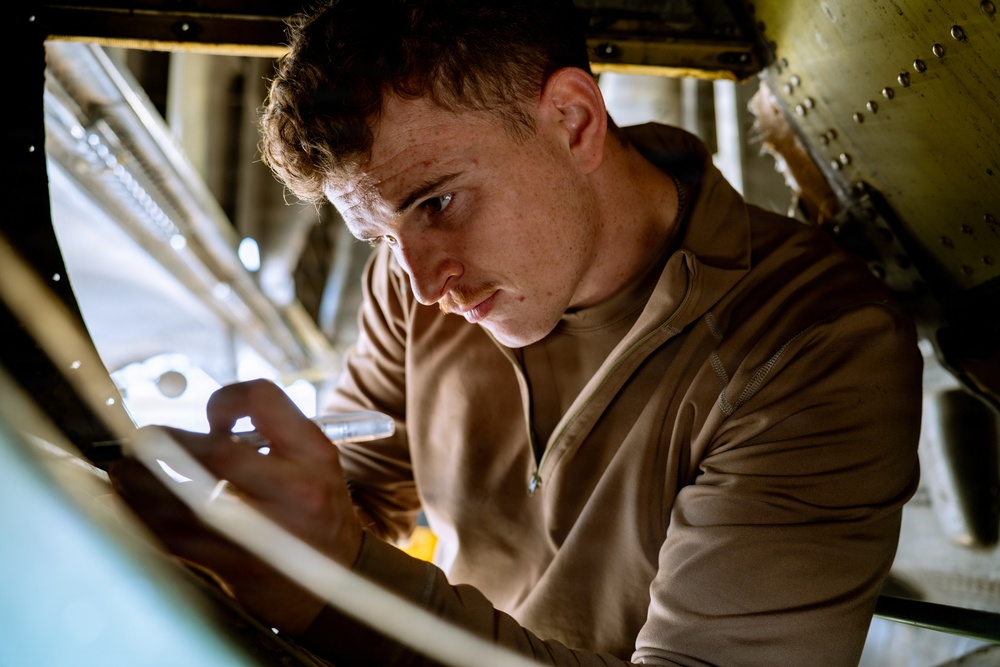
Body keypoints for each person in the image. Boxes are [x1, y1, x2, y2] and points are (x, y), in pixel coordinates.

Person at [110, 0, 923, 664]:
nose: (426, 285)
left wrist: (340, 579)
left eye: (436, 204)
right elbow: (370, 475)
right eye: (383, 236)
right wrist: (244, 516)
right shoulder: (414, 277)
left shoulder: (818, 343)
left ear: (573, 120)